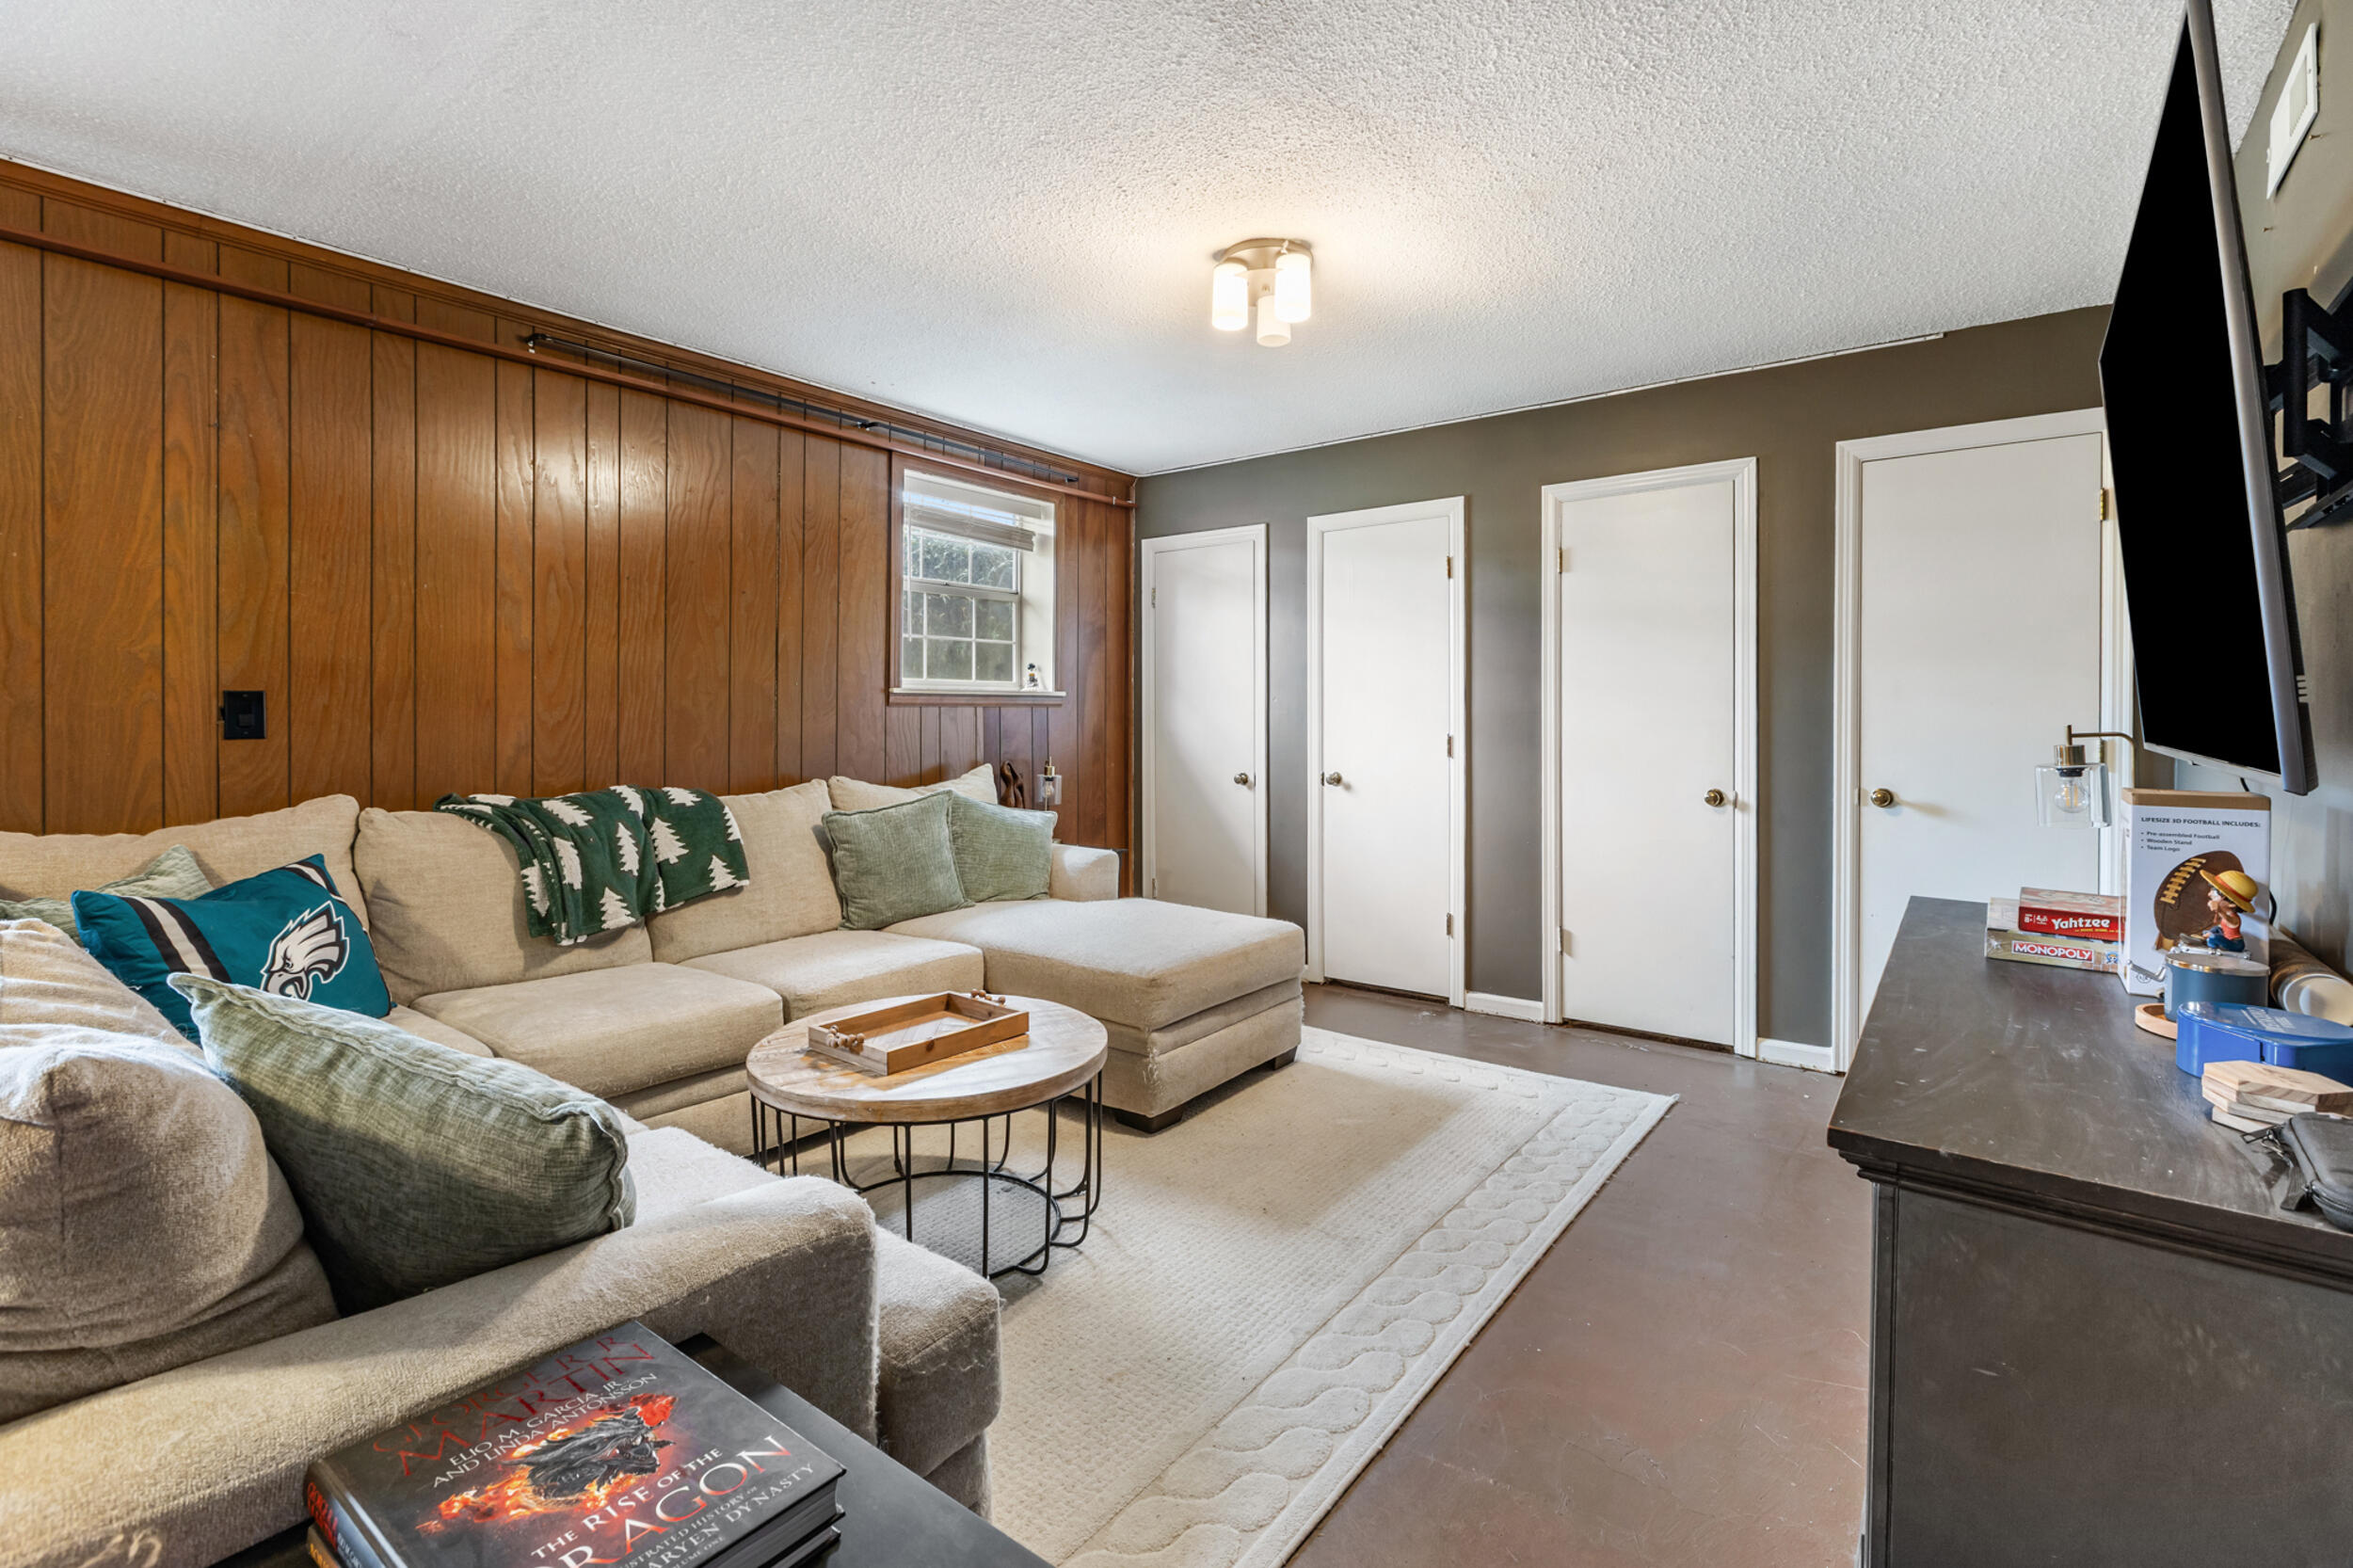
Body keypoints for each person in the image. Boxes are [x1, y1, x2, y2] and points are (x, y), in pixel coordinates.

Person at [2197, 867, 2260, 953]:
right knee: (2215, 929)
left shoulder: (2235, 919)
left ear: (2231, 904)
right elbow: (2222, 927)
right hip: (2226, 937)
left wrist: (2219, 909)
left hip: (2235, 944)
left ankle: (2210, 951)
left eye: (2215, 894)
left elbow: (2226, 918)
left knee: (2213, 938)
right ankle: (2203, 938)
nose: (2209, 894)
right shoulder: (2227, 914)